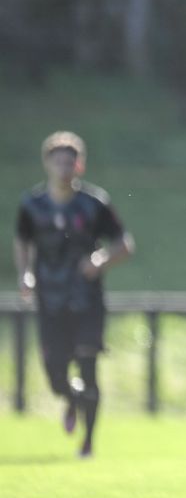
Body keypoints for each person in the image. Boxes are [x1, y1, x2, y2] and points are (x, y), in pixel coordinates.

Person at [14, 131, 134, 458]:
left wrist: (100, 260)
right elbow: (22, 241)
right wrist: (25, 274)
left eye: (70, 161)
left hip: (86, 299)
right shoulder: (32, 205)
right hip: (50, 298)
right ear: (47, 163)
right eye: (58, 161)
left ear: (79, 165)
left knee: (87, 364)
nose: (64, 167)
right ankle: (70, 398)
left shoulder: (94, 204)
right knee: (55, 373)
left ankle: (88, 443)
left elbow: (124, 244)